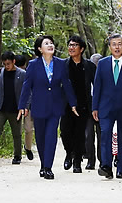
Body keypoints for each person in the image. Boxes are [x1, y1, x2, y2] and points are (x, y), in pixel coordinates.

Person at [18, 35, 78, 179]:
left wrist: (73, 103)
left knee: (51, 136)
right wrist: (22, 105)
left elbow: (67, 84)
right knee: (40, 137)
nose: (50, 45)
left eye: (51, 43)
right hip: (39, 106)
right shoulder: (33, 65)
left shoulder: (60, 63)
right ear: (40, 49)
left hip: (56, 106)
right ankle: (43, 164)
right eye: (46, 44)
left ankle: (48, 167)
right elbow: (27, 86)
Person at [92, 33, 122, 179]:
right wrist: (95, 107)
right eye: (114, 44)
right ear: (109, 47)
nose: (117, 47)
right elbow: (97, 87)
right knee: (105, 134)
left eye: (119, 44)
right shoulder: (102, 63)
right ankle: (106, 166)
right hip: (105, 107)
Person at [61, 35, 97, 173]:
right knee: (65, 132)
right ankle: (68, 153)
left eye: (74, 45)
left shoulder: (89, 66)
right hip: (66, 105)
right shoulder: (63, 65)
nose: (71, 48)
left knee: (80, 134)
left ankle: (77, 161)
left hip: (83, 105)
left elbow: (96, 86)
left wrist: (95, 105)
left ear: (81, 49)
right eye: (70, 45)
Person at [0, 51, 26, 165]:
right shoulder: (0, 72)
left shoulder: (21, 73)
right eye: (4, 64)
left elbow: (27, 91)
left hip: (15, 108)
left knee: (16, 133)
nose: (7, 66)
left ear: (14, 62)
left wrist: (25, 106)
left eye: (8, 64)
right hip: (1, 106)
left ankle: (17, 155)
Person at [15, 54, 34, 161]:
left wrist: (27, 105)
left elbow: (30, 91)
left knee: (28, 128)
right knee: (17, 130)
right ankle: (17, 151)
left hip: (28, 105)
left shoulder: (28, 74)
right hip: (15, 105)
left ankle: (28, 147)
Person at [85, 53, 102, 170]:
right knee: (88, 136)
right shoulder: (85, 74)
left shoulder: (105, 75)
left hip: (101, 109)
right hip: (88, 109)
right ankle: (90, 160)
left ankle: (103, 160)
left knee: (102, 136)